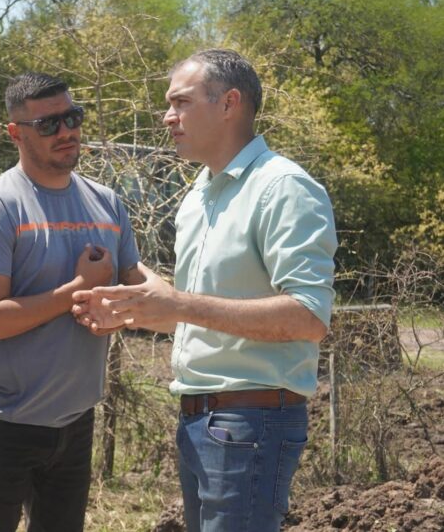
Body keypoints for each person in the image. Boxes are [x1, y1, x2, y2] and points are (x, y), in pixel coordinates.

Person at [73, 49, 338, 532]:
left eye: (181, 102)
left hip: (250, 425)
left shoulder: (284, 188)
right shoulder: (199, 194)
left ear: (229, 103)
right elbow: (190, 313)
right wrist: (128, 308)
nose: (166, 115)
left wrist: (177, 302)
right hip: (201, 421)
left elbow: (308, 316)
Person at [0, 71, 146, 532]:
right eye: (49, 125)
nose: (66, 132)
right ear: (15, 133)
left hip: (75, 421)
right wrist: (74, 292)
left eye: (72, 118)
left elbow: (135, 287)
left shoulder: (108, 204)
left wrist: (118, 310)